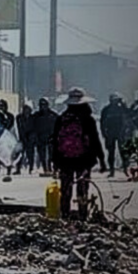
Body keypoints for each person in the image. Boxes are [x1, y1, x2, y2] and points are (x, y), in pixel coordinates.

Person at [51, 87, 105, 221]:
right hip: (83, 160)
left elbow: (55, 141)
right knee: (82, 189)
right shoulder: (88, 119)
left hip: (64, 160)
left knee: (65, 189)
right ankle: (82, 215)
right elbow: (94, 139)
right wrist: (101, 159)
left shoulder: (61, 119)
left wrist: (55, 161)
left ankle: (65, 215)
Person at [100, 92, 131, 178]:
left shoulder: (121, 108)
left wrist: (123, 104)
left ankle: (125, 169)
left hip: (121, 133)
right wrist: (103, 133)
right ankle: (112, 170)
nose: (115, 102)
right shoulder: (106, 110)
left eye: (116, 100)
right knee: (111, 153)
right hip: (110, 133)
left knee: (123, 152)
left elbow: (129, 114)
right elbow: (102, 123)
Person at [31, 97, 58, 175]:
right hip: (40, 138)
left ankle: (52, 168)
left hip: (51, 138)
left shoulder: (53, 115)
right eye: (41, 104)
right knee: (42, 155)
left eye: (44, 104)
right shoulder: (36, 116)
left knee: (52, 155)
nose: (43, 106)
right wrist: (35, 137)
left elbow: (57, 125)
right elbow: (33, 126)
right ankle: (45, 169)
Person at [15, 103, 35, 175]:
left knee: (30, 154)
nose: (26, 111)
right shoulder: (19, 117)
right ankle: (18, 169)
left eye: (27, 109)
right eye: (24, 109)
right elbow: (19, 128)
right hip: (22, 137)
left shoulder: (33, 117)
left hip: (30, 138)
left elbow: (34, 128)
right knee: (19, 154)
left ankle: (31, 168)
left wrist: (32, 137)